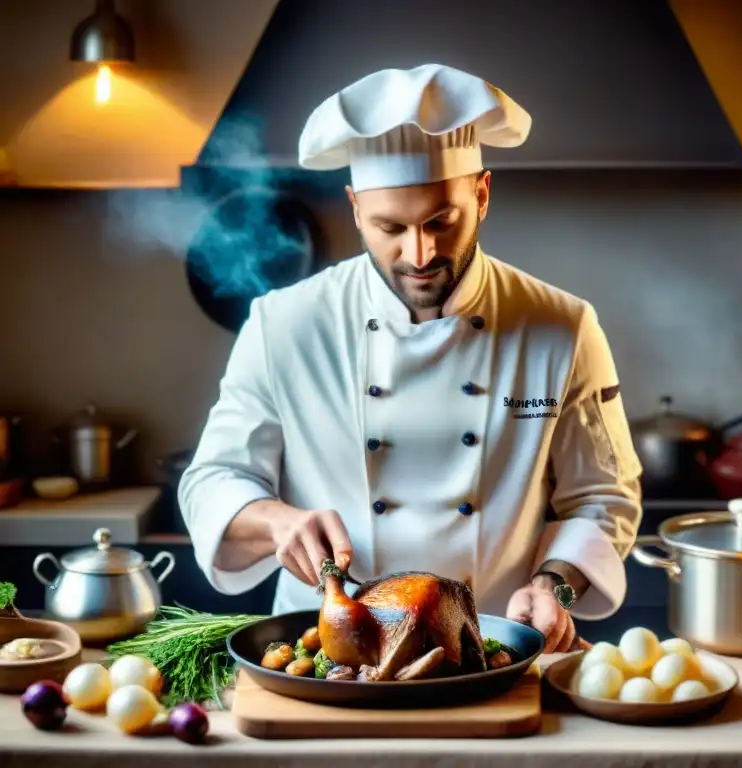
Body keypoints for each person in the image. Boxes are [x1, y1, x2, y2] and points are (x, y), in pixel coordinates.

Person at [179, 63, 643, 653]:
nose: (418, 253)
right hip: (328, 656)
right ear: (353, 207)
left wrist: (558, 585)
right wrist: (277, 522)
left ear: (481, 194)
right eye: (389, 227)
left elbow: (605, 498)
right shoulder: (284, 324)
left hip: (490, 652)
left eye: (440, 221)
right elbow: (213, 481)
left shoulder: (562, 327)